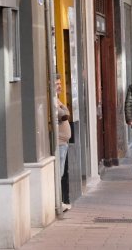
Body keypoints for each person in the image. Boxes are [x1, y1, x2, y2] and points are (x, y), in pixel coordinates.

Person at [56, 74, 72, 211]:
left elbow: (66, 112)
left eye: (60, 83)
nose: (60, 86)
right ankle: (58, 202)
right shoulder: (55, 102)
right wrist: (63, 107)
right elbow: (65, 114)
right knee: (59, 174)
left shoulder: (57, 100)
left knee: (61, 173)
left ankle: (60, 201)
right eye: (57, 84)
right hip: (59, 143)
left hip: (63, 143)